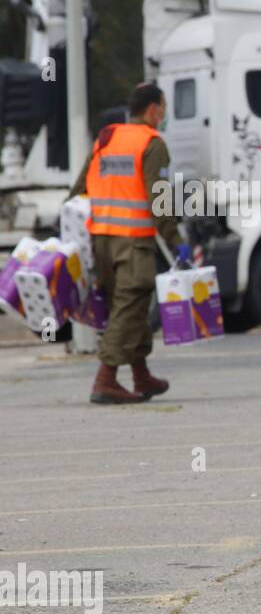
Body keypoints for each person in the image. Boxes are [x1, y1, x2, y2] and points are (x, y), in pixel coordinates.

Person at [69, 82, 185, 404]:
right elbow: (159, 201)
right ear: (152, 110)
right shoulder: (152, 143)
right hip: (132, 242)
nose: (164, 114)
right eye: (163, 107)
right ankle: (105, 380)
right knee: (130, 305)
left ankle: (141, 376)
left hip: (101, 241)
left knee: (124, 307)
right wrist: (176, 242)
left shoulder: (107, 137)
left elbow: (79, 188)